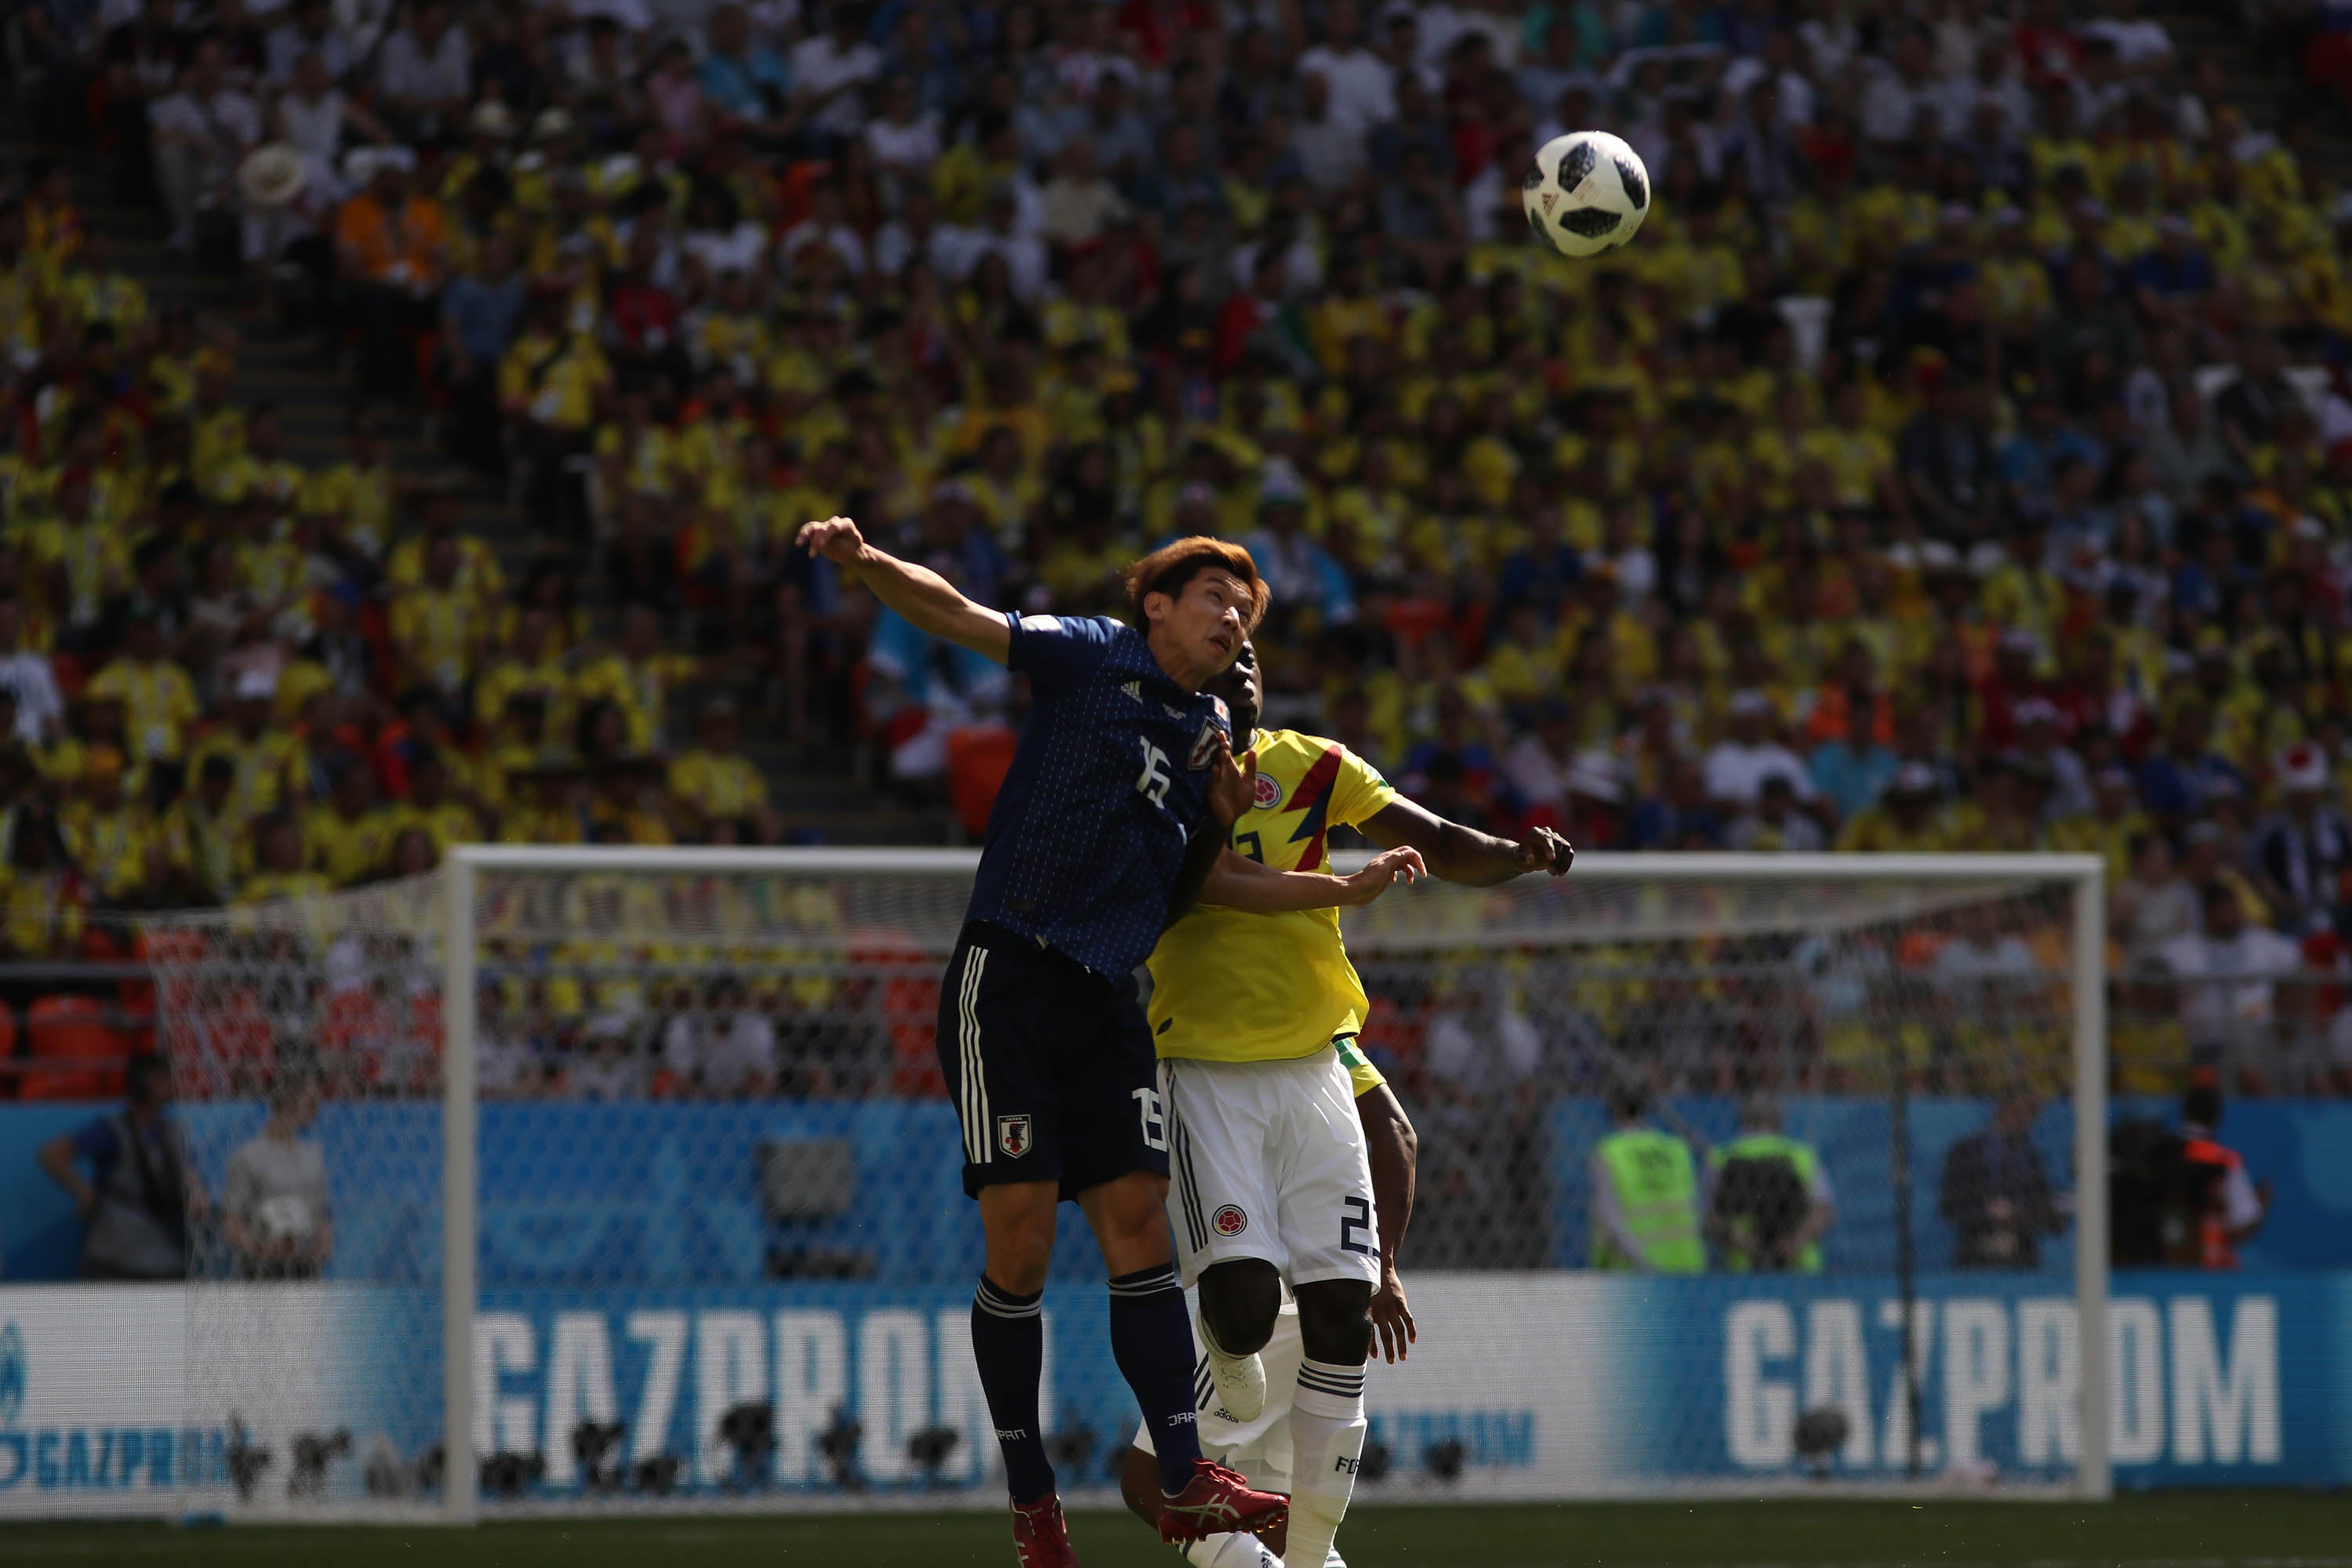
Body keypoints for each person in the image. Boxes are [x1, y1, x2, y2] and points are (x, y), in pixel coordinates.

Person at [793, 517, 1423, 1564]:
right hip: (1011, 973)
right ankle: (1034, 1502)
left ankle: (1183, 1478)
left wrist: (1314, 870)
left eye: (1247, 609)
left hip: (1106, 996)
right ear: (1158, 608)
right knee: (1025, 1242)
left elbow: (1194, 890)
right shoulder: (1095, 655)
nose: (1234, 617)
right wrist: (865, 566)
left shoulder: (1207, 743)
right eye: (1216, 597)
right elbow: (961, 615)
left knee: (1139, 1226)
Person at [1142, 638, 1570, 1568]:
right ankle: (1223, 1381)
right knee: (1247, 1305)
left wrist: (1515, 853)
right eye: (1221, 649)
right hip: (1207, 1064)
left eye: (1253, 650)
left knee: (1342, 1310)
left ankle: (1308, 1557)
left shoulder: (1315, 766)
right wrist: (1342, 883)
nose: (1244, 662)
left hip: (1314, 1059)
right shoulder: (1153, 772)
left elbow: (1441, 840)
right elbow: (1194, 887)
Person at [1118, 1069, 1420, 1568]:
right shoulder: (1327, 1033)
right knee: (1284, 1517)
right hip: (1330, 1298)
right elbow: (1399, 1132)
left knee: (1150, 1481)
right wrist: (1382, 1266)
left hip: (1265, 1304)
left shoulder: (1223, 1030)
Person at [38, 1055, 201, 1279]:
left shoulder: (173, 1133)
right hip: (115, 1251)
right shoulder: (113, 1130)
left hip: (161, 1248)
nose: (170, 1084)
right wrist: (84, 1192)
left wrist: (197, 1193)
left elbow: (190, 1177)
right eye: (162, 1078)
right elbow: (51, 1155)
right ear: (140, 1082)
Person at [223, 1069, 333, 1280]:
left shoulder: (313, 1155)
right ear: (289, 1102)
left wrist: (323, 1245)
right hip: (263, 1272)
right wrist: (261, 1247)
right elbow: (232, 1222)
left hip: (307, 1269)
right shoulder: (248, 1157)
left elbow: (322, 1215)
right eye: (311, 1102)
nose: (318, 1110)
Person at [1939, 1086, 2066, 1269]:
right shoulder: (1965, 1153)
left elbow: (2047, 1211)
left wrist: (2017, 1213)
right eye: (2018, 1111)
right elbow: (1950, 1206)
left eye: (2031, 1112)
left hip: (2022, 1260)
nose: (2024, 1118)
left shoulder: (2033, 1159)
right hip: (1975, 1259)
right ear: (2003, 1108)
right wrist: (1988, 1213)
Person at [1704, 1096, 1835, 1272]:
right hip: (1801, 1268)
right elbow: (1823, 1211)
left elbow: (1711, 1218)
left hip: (1743, 1269)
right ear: (1778, 1120)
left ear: (1741, 1119)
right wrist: (1793, 1243)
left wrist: (1746, 1243)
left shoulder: (1722, 1157)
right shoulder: (1801, 1155)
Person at [1588, 1078, 1704, 1272]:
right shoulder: (1677, 1150)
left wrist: (1647, 1265)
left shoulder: (1609, 1153)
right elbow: (1695, 1208)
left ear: (1614, 1108)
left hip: (1634, 1270)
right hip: (1687, 1264)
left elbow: (1610, 1219)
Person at [2177, 1073, 2267, 1269]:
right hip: (2213, 1273)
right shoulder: (2224, 1161)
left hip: (2166, 1270)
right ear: (2217, 1117)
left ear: (2183, 1112)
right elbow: (2241, 1230)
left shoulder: (2165, 1155)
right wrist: (2262, 1203)